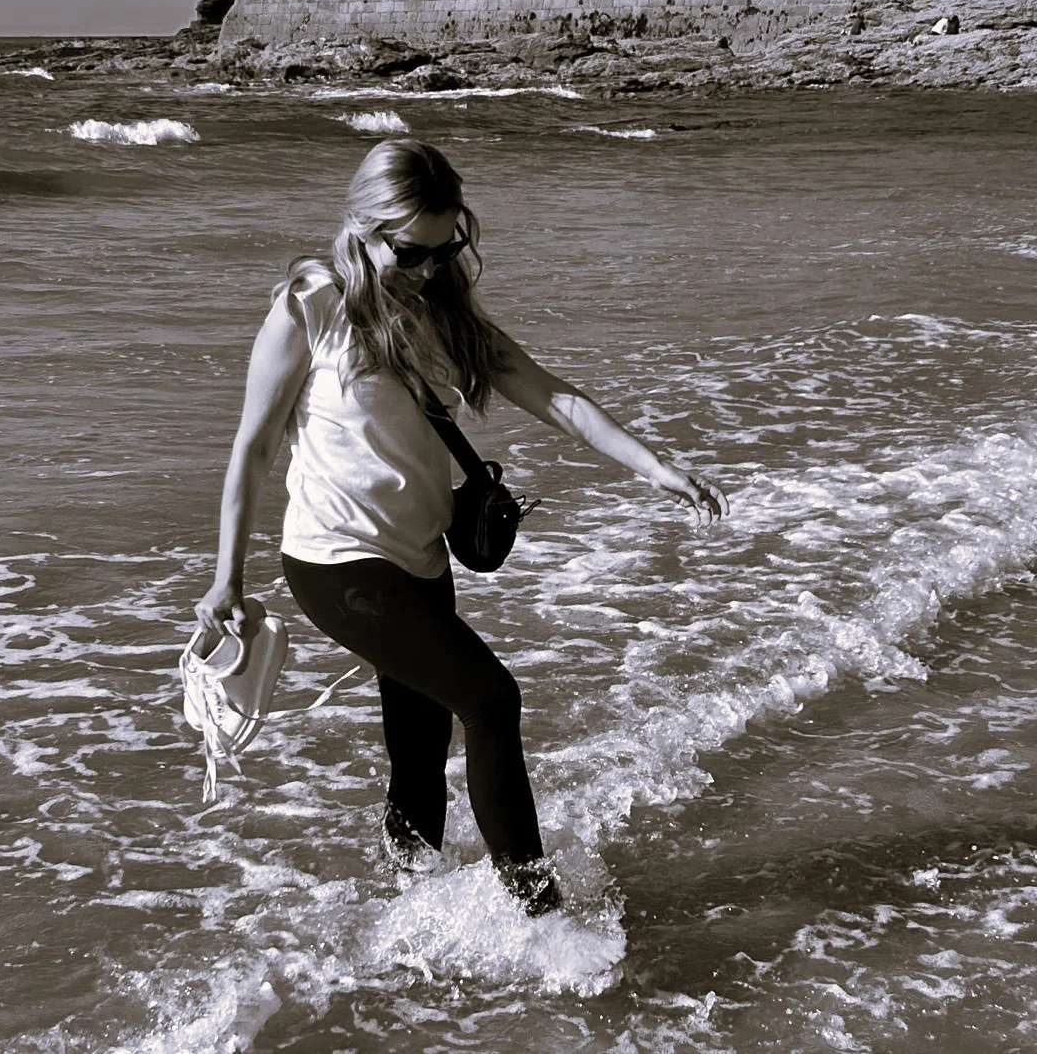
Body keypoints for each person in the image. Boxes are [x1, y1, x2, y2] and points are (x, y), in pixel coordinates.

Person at [194, 139, 726, 916]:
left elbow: (552, 394)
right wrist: (227, 578)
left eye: (446, 251)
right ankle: (538, 913)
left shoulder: (441, 308)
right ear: (365, 226)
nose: (429, 269)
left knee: (419, 745)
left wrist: (658, 468)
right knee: (491, 699)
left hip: (419, 560)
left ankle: (404, 913)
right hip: (336, 562)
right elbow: (253, 446)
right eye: (412, 253)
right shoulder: (310, 306)